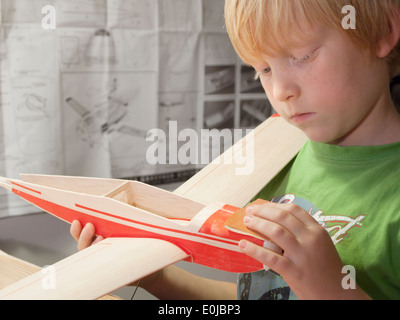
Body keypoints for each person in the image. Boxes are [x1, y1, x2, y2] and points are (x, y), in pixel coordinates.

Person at [71, 0, 400, 300]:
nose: (281, 91)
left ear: (383, 31)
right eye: (264, 70)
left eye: (303, 55)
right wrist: (159, 280)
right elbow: (256, 293)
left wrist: (331, 290)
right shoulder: (277, 154)